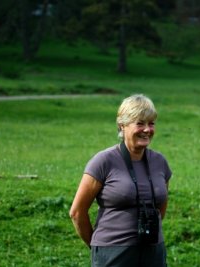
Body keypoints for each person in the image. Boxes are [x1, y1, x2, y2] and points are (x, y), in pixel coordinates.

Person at [70, 94, 172, 267]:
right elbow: (77, 212)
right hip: (113, 254)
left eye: (151, 123)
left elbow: (160, 207)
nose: (147, 129)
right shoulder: (103, 161)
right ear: (122, 126)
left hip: (153, 252)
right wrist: (98, 247)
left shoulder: (160, 162)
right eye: (140, 123)